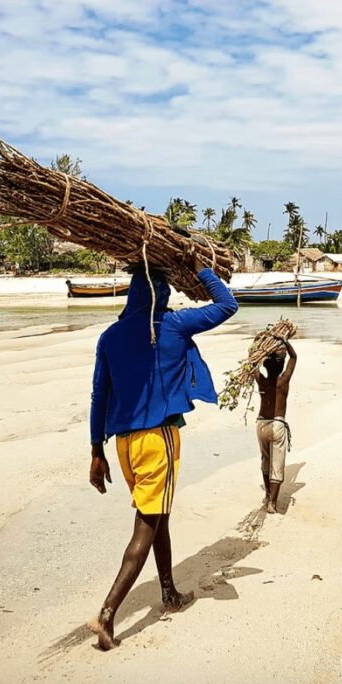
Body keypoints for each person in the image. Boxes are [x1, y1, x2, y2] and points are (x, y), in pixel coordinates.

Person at [87, 256, 238, 651]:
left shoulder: (110, 335)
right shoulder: (170, 325)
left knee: (159, 514)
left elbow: (99, 395)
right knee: (146, 524)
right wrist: (201, 268)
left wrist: (95, 451)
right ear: (163, 294)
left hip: (123, 444)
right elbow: (227, 304)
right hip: (159, 440)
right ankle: (107, 615)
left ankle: (168, 592)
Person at [256, 338, 297, 513]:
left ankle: (267, 495)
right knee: (277, 465)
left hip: (261, 425)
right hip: (277, 425)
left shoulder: (262, 381)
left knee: (266, 460)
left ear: (266, 366)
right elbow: (293, 357)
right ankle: (272, 503)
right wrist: (284, 341)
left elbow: (250, 364)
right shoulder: (283, 381)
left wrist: (259, 346)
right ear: (281, 366)